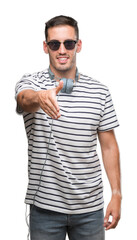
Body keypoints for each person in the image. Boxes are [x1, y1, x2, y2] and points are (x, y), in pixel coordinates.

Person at [15, 15, 121, 240]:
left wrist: (116, 194)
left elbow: (109, 146)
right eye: (55, 44)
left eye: (68, 43)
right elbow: (24, 99)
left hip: (90, 210)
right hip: (44, 209)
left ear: (78, 45)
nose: (62, 50)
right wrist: (40, 97)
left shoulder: (100, 92)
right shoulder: (31, 83)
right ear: (46, 47)